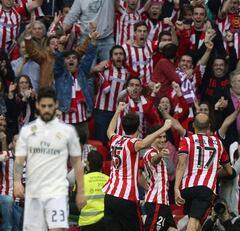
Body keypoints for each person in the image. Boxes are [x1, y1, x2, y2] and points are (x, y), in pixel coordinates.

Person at [13, 86, 86, 231]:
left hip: (57, 191)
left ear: (56, 105)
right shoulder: (27, 131)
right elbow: (19, 159)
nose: (47, 109)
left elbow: (77, 162)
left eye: (50, 106)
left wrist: (81, 191)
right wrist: (16, 182)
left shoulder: (68, 131)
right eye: (44, 106)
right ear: (37, 105)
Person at [103, 102, 172, 231]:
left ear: (123, 126)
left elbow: (109, 130)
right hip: (126, 197)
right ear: (138, 126)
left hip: (110, 195)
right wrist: (163, 128)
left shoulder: (116, 139)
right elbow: (144, 143)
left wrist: (118, 111)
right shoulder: (132, 143)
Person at [174, 113, 233, 231]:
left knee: (196, 221)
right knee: (194, 220)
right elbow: (229, 171)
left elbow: (181, 164)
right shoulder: (218, 143)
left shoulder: (187, 140)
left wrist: (176, 188)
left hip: (187, 188)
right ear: (209, 126)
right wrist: (214, 171)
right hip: (205, 188)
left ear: (193, 125)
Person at [142, 126, 178, 231]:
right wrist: (161, 154)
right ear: (152, 138)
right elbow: (154, 160)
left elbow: (171, 170)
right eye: (159, 137)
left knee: (172, 229)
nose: (163, 140)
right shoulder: (150, 153)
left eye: (164, 137)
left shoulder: (158, 153)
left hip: (163, 202)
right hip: (156, 202)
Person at [78, 150, 108, 231]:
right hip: (105, 224)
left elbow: (74, 204)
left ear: (87, 163)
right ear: (102, 164)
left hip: (87, 224)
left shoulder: (81, 180)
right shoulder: (108, 180)